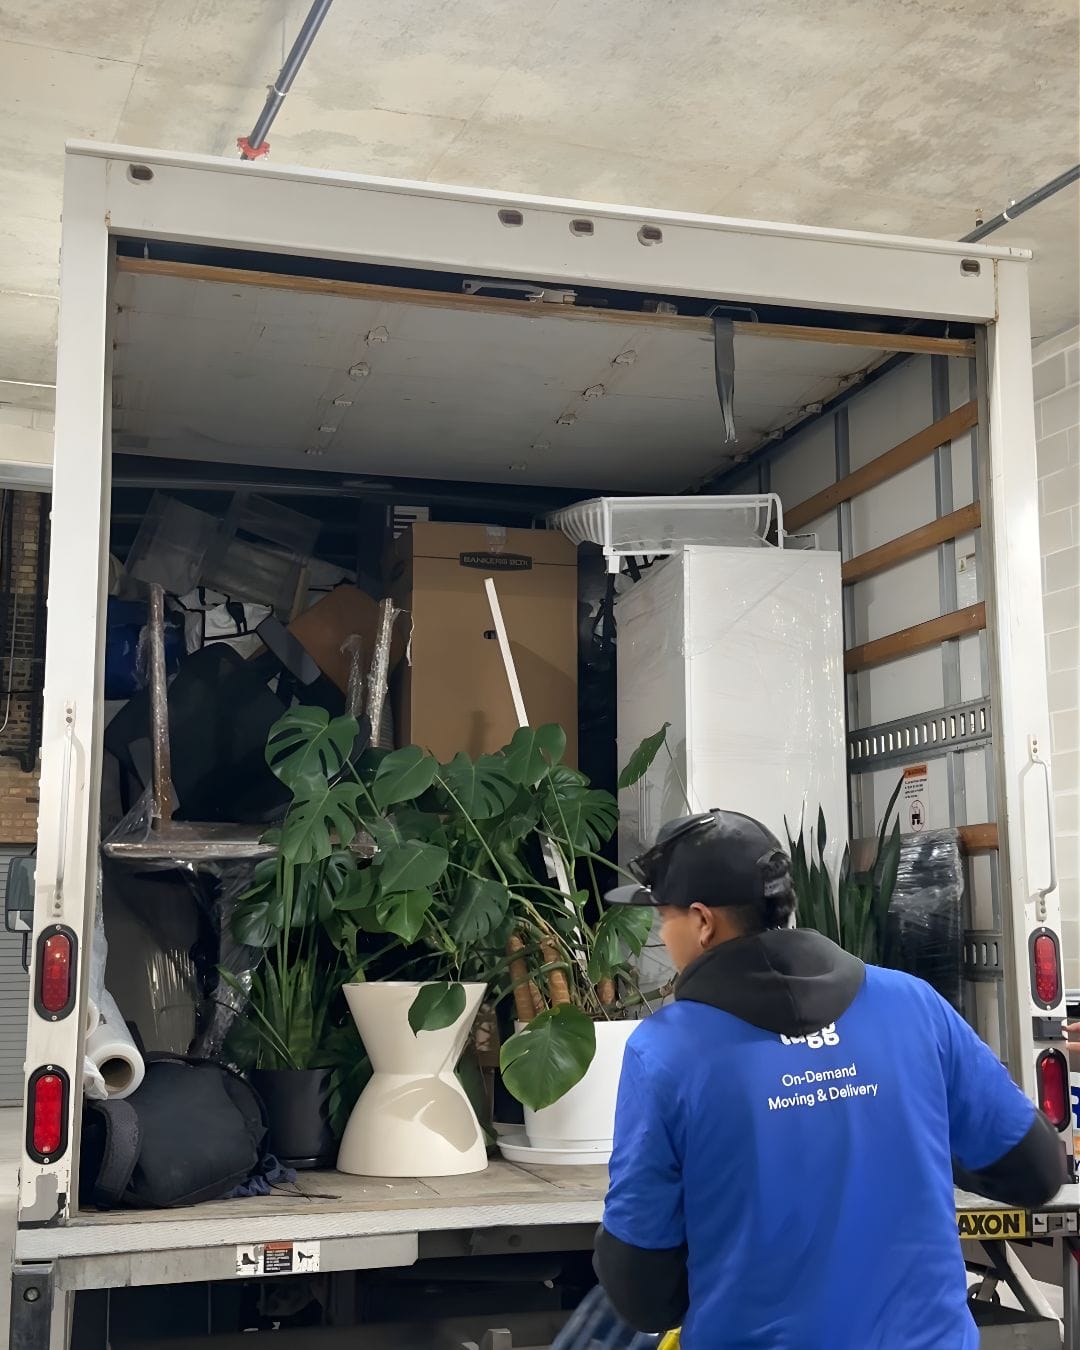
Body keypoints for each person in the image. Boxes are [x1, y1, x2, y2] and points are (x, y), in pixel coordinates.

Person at [594, 810, 1066, 1350]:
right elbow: (1036, 1171)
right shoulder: (912, 1005)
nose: (662, 934)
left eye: (664, 918)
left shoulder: (666, 1051)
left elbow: (642, 1293)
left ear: (703, 922)